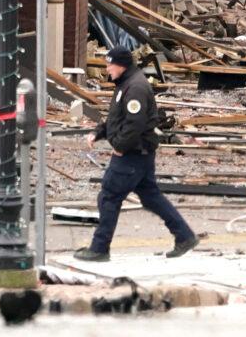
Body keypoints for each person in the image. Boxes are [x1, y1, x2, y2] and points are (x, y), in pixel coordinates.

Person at [74, 48, 198, 262]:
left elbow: (134, 123)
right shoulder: (126, 84)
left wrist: (120, 146)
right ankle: (184, 236)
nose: (107, 69)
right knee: (151, 197)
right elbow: (117, 118)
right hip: (139, 153)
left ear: (120, 65)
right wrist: (99, 132)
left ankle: (99, 248)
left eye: (109, 64)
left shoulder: (135, 87)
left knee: (109, 196)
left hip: (132, 153)